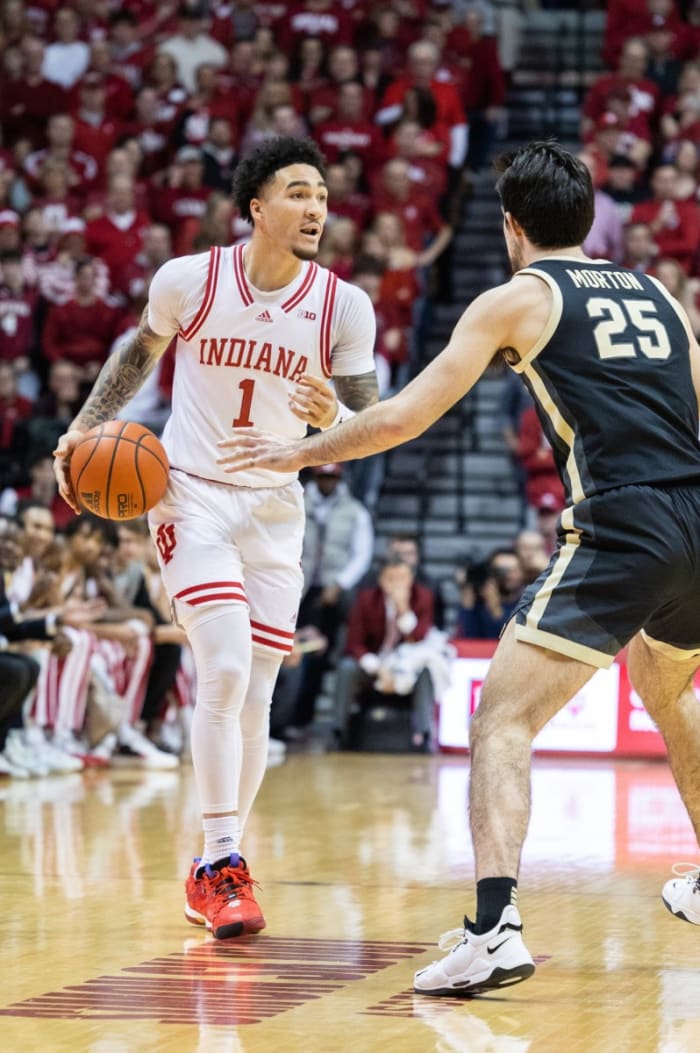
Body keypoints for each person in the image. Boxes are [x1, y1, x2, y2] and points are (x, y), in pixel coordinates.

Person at [217, 141, 700, 990]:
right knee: (666, 690)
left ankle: (494, 926)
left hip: (626, 521)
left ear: (510, 226)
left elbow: (407, 416)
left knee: (501, 722)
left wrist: (298, 450)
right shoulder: (659, 293)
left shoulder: (519, 298)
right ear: (589, 218)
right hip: (696, 517)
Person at [53, 136, 379, 940]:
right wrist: (85, 427)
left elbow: (371, 420)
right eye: (298, 192)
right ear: (257, 207)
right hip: (190, 492)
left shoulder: (344, 306)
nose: (316, 207)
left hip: (276, 506)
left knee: (257, 692)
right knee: (225, 668)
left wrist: (331, 416)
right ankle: (225, 860)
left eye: (323, 195)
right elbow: (139, 354)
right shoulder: (190, 279)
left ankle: (212, 863)